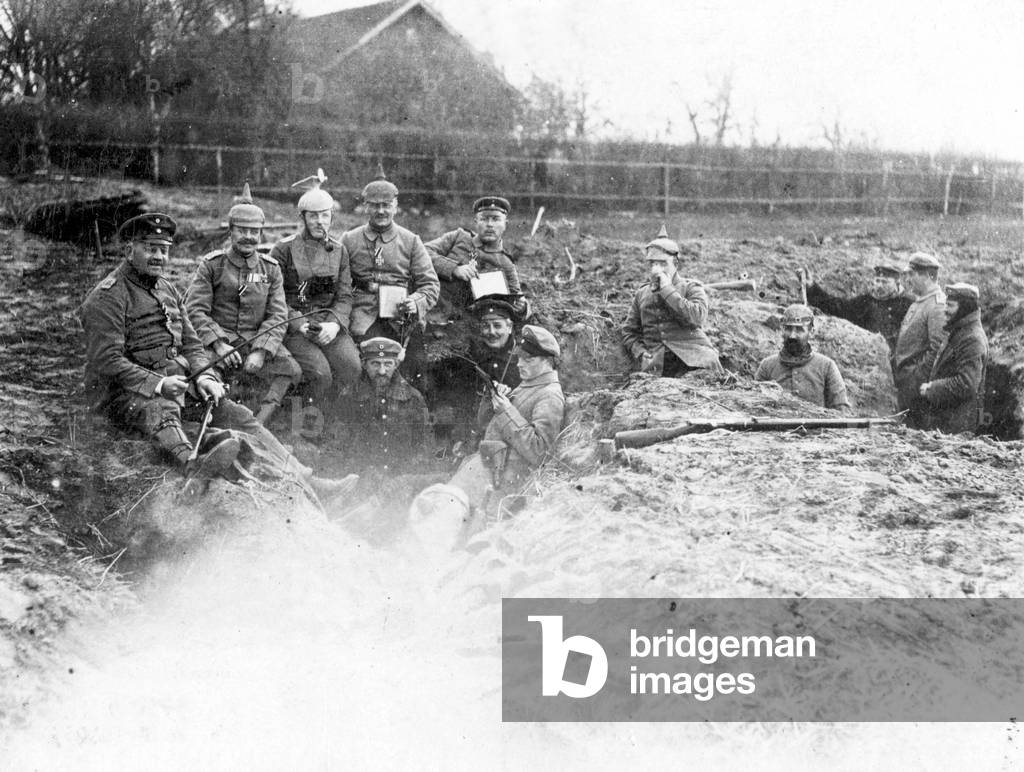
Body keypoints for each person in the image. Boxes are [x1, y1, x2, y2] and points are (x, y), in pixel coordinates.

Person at [80, 213, 355, 498]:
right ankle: (193, 466)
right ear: (129, 250)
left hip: (178, 385)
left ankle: (307, 480)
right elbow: (108, 361)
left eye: (163, 250)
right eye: (150, 249)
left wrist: (206, 378)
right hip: (125, 396)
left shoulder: (166, 288)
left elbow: (192, 344)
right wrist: (159, 384)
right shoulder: (108, 296)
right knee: (163, 412)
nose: (159, 257)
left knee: (240, 416)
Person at [415, 325, 565, 522]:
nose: (519, 364)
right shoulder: (529, 385)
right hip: (484, 472)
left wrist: (506, 411)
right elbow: (490, 427)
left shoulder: (549, 395)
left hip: (500, 484)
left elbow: (539, 451)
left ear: (548, 361)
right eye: (519, 358)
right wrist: (491, 400)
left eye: (528, 359)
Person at [185, 184, 301, 425]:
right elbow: (195, 309)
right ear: (230, 232)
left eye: (254, 231)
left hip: (255, 339)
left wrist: (261, 350)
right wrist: (219, 344)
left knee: (291, 369)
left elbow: (278, 314)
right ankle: (216, 422)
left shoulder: (270, 269)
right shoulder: (212, 265)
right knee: (205, 373)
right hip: (220, 341)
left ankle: (258, 425)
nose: (249, 236)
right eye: (242, 230)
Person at [340, 170, 440, 391]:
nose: (381, 211)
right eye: (375, 205)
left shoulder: (411, 241)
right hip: (362, 315)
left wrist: (415, 302)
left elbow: (430, 284)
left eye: (386, 205)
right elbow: (339, 282)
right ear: (365, 206)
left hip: (400, 317)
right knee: (361, 367)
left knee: (415, 368)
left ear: (396, 206)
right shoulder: (349, 239)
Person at [270, 169, 360, 408]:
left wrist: (334, 325)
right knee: (320, 374)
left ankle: (333, 418)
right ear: (302, 218)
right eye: (313, 216)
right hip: (294, 325)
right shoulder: (283, 250)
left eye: (325, 216)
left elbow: (345, 296)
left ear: (332, 217)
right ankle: (301, 418)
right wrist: (299, 324)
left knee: (352, 367)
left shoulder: (339, 251)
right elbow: (274, 298)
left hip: (327, 323)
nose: (320, 222)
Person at [621, 225, 722, 376]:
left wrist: (667, 290)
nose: (657, 269)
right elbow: (629, 332)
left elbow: (698, 317)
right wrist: (641, 352)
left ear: (675, 264)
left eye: (663, 264)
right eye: (653, 264)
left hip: (694, 356)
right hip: (657, 363)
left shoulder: (691, 288)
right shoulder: (641, 294)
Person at [334, 337, 431, 474]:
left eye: (388, 364)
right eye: (375, 364)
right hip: (360, 475)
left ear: (396, 365)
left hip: (402, 476)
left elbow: (425, 445)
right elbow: (337, 445)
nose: (382, 371)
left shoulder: (413, 398)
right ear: (364, 364)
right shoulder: (349, 397)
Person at [424, 196, 526, 323]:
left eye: (496, 219)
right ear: (476, 221)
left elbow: (517, 298)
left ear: (506, 224)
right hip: (430, 308)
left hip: (466, 323)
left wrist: (523, 308)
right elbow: (422, 253)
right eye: (484, 219)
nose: (489, 224)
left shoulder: (506, 263)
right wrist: (454, 269)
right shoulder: (459, 237)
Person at [918, 283, 989, 434]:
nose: (945, 310)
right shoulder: (960, 331)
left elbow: (966, 383)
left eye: (950, 305)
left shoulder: (972, 339)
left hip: (958, 425)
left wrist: (932, 389)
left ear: (965, 308)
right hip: (948, 420)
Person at [755, 304, 851, 411]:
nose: (792, 335)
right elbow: (754, 405)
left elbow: (841, 410)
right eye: (788, 329)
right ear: (782, 330)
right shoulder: (767, 366)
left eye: (799, 330)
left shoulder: (827, 367)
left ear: (811, 331)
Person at [805, 260, 913, 353]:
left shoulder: (908, 305)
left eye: (885, 282)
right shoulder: (865, 302)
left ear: (897, 284)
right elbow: (838, 306)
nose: (879, 286)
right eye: (877, 281)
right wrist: (812, 288)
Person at [892, 252, 946, 428]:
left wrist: (916, 379)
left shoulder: (937, 306)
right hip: (905, 381)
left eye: (912, 274)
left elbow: (938, 349)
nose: (908, 280)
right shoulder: (919, 302)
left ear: (929, 276)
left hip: (915, 386)